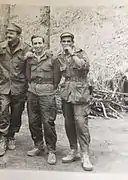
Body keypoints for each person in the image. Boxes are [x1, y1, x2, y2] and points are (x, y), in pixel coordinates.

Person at [57, 32, 93, 171]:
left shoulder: (81, 53)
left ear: (73, 42)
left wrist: (72, 54)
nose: (66, 43)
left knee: (81, 123)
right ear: (61, 42)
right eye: (64, 41)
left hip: (80, 92)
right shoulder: (60, 57)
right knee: (69, 123)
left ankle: (85, 154)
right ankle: (73, 150)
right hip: (67, 92)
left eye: (68, 41)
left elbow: (84, 67)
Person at [0, 23, 30, 157]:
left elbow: (30, 68)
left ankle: (11, 135)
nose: (8, 35)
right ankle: (2, 138)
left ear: (18, 35)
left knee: (16, 113)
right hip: (3, 85)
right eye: (7, 33)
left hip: (19, 87)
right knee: (3, 110)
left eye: (12, 33)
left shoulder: (26, 49)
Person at [25, 35, 61, 165]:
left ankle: (51, 150)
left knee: (48, 122)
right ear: (32, 45)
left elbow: (57, 77)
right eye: (35, 43)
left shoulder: (52, 59)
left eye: (40, 43)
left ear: (44, 44)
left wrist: (51, 88)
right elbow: (27, 74)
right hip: (33, 92)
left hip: (47, 93)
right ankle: (38, 145)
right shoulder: (29, 59)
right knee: (33, 120)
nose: (37, 46)